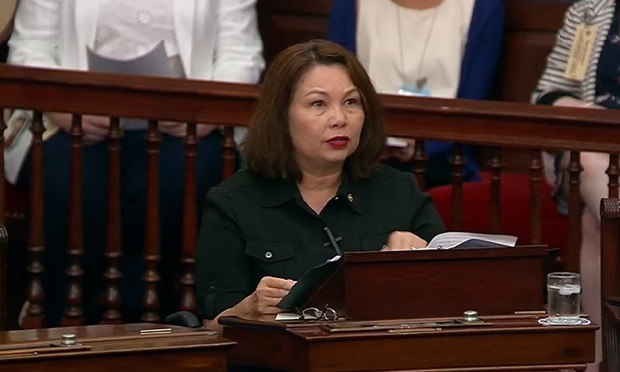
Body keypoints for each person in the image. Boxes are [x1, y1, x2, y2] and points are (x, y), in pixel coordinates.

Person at [6, 0, 264, 326]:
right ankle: (63, 314)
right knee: (70, 181)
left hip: (185, 124)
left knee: (179, 181)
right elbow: (30, 48)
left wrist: (198, 112)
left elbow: (241, 55)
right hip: (71, 118)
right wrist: (67, 107)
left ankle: (144, 318)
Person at [195, 39, 445, 331]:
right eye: (318, 104)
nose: (339, 119)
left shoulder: (400, 192)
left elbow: (456, 298)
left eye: (351, 102)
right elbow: (211, 326)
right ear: (281, 115)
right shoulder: (233, 202)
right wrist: (247, 310)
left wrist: (423, 256)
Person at [327, 0, 504, 189]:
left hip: (443, 162)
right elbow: (336, 89)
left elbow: (472, 104)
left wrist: (423, 147)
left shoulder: (484, 7)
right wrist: (372, 142)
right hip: (362, 152)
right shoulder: (349, 5)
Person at [532, 0, 620, 370]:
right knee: (590, 161)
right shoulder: (590, 10)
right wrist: (586, 112)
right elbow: (547, 94)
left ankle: (598, 358)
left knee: (597, 222)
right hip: (596, 151)